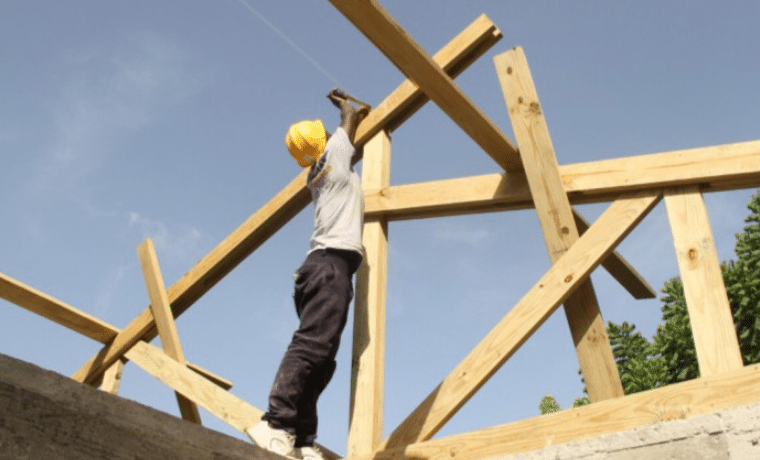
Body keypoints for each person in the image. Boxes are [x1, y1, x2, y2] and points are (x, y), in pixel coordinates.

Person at [246, 89, 369, 460]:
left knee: (323, 356)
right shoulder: (334, 156)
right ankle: (276, 422)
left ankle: (300, 439)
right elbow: (350, 123)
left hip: (321, 270)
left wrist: (351, 121)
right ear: (326, 141)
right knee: (313, 348)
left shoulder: (319, 172)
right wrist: (347, 108)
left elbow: (349, 142)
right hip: (330, 266)